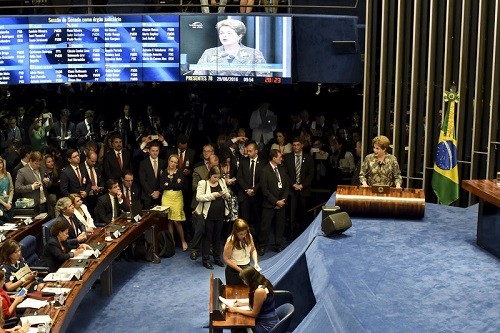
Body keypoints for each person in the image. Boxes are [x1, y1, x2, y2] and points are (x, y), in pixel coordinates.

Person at [192, 19, 270, 77]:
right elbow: (198, 77)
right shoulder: (209, 53)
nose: (224, 36)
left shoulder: (254, 54)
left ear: (239, 36)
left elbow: (264, 79)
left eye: (229, 33)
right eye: (221, 33)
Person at [194, 166, 230, 270]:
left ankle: (217, 258)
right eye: (215, 177)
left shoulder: (222, 181)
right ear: (210, 175)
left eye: (218, 177)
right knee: (207, 237)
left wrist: (225, 195)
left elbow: (227, 193)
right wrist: (213, 195)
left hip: (220, 213)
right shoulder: (203, 183)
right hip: (208, 215)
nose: (217, 179)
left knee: (217, 237)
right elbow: (199, 197)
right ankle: (205, 260)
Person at [226, 266, 279, 333]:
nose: (243, 282)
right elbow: (260, 302)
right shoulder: (263, 281)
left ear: (250, 279)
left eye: (244, 279)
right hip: (268, 318)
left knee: (239, 329)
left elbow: (254, 314)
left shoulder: (259, 291)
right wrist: (242, 303)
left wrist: (235, 309)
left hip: (266, 325)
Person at [258, 149, 290, 256]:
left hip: (282, 203)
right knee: (265, 227)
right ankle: (262, 246)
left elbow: (286, 186)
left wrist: (282, 201)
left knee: (280, 225)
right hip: (269, 204)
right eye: (280, 157)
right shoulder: (265, 170)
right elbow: (265, 190)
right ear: (274, 158)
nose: (282, 158)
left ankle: (278, 245)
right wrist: (276, 202)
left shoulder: (282, 169)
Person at [160, 154, 188, 252]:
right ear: (168, 161)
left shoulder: (180, 173)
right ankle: (172, 242)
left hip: (177, 198)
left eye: (175, 162)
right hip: (166, 197)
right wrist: (173, 184)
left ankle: (183, 240)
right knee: (169, 220)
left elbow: (179, 186)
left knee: (177, 221)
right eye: (171, 161)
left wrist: (169, 184)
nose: (173, 164)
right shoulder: (164, 172)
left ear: (177, 164)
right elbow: (162, 186)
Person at [223, 219, 260, 285]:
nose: (243, 236)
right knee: (234, 293)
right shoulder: (230, 241)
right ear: (235, 232)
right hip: (234, 270)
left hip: (246, 267)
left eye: (245, 233)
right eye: (241, 234)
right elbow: (226, 258)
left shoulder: (249, 236)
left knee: (248, 291)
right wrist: (240, 270)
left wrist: (256, 262)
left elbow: (253, 250)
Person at [0, 158, 14, 223]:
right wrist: (5, 204)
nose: (0, 165)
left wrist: (9, 202)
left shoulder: (7, 174)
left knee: (11, 223)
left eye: (0, 163)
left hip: (9, 204)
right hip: (1, 205)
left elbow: (11, 189)